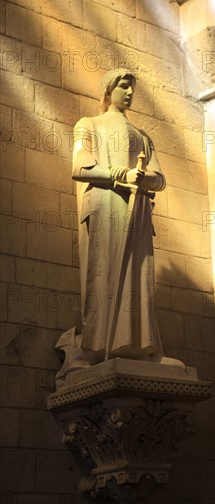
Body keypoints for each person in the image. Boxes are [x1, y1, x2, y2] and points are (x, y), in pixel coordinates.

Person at [55, 69, 177, 385]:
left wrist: (144, 178)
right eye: (123, 85)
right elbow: (80, 165)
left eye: (132, 87)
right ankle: (97, 346)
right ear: (109, 90)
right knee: (103, 273)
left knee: (139, 278)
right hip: (105, 207)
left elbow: (160, 178)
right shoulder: (89, 125)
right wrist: (120, 175)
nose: (129, 92)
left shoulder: (143, 136)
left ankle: (139, 346)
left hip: (136, 212)